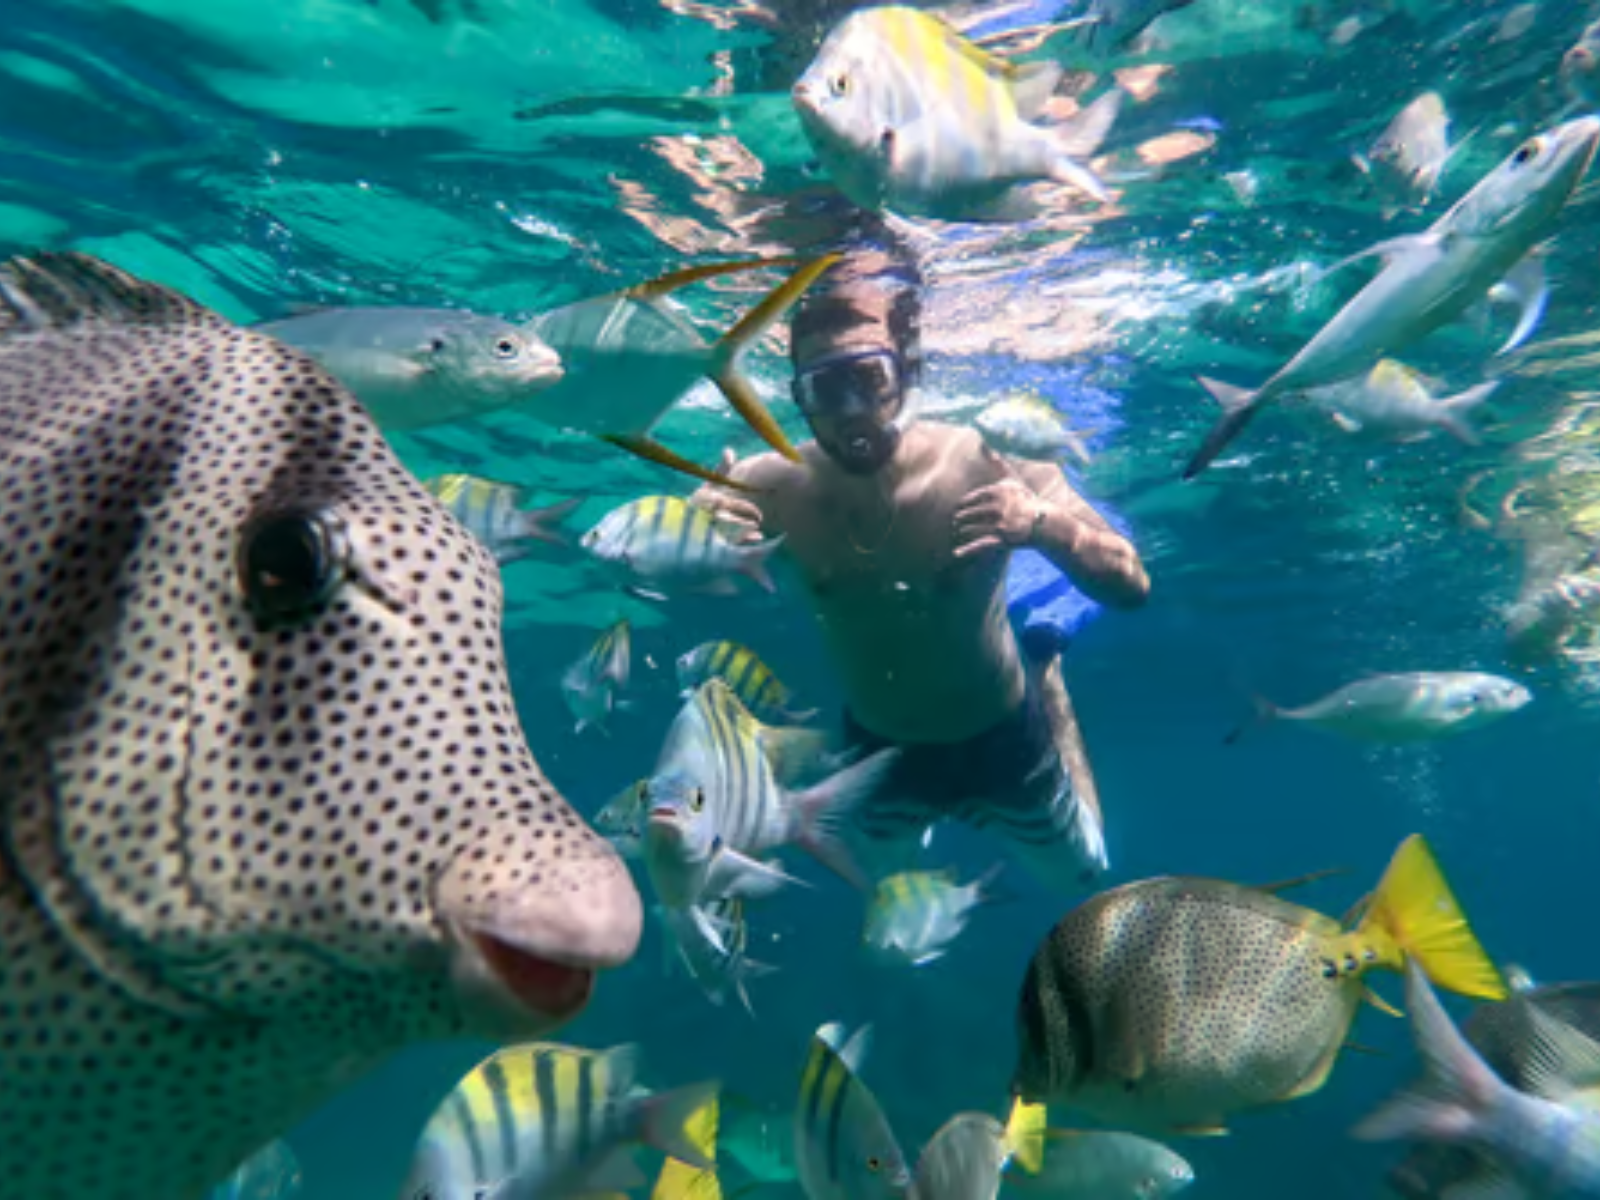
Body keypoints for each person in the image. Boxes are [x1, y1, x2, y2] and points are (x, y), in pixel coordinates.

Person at [689, 241, 1149, 890]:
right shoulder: (768, 490)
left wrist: (1041, 527)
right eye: (825, 387)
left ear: (908, 370)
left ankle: (1048, 671)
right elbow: (664, 584)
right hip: (879, 748)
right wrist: (690, 534)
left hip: (1003, 734)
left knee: (1085, 873)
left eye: (868, 377)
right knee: (886, 901)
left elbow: (1132, 584)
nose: (851, 410)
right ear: (797, 396)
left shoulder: (990, 459)